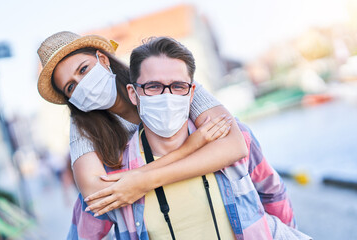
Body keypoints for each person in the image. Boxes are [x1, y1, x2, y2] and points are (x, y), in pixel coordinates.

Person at [68, 37, 312, 239]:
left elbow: (273, 193)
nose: (167, 96)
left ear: (192, 91)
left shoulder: (231, 135)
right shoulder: (115, 179)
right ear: (134, 93)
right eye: (153, 86)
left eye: (177, 86)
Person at [37, 30, 249, 214]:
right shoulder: (81, 125)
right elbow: (95, 194)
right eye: (71, 87)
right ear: (72, 100)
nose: (82, 84)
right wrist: (191, 147)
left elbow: (234, 145)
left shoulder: (159, 77)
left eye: (83, 70)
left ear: (103, 59)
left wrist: (142, 182)